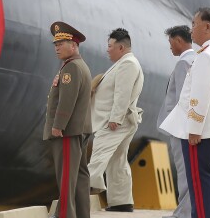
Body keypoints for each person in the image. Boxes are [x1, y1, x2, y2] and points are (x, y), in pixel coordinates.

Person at [160, 8, 210, 218]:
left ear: (207, 26)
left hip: (202, 134)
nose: (191, 30)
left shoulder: (207, 56)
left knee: (200, 188)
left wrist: (194, 129)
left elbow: (200, 96)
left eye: (194, 24)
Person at [88, 28, 144, 213]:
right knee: (117, 161)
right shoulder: (124, 62)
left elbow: (123, 93)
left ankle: (78, 195)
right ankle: (122, 202)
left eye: (110, 46)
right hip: (121, 120)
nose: (107, 50)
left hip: (114, 122)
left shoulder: (128, 64)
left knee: (98, 156)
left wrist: (115, 119)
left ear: (121, 47)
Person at [43, 21, 92, 218]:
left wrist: (58, 126)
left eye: (60, 44)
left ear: (74, 45)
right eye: (55, 44)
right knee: (79, 177)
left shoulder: (71, 69)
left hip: (67, 131)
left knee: (66, 179)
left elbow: (66, 101)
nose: (56, 48)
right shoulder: (80, 66)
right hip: (79, 129)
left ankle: (64, 215)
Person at [156, 25, 195, 218]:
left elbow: (182, 100)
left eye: (171, 42)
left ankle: (183, 214)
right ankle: (185, 211)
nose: (170, 47)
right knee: (190, 173)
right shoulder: (196, 59)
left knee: (184, 173)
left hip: (181, 129)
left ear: (179, 40)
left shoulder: (183, 63)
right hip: (190, 128)